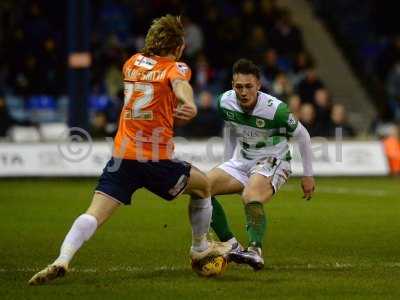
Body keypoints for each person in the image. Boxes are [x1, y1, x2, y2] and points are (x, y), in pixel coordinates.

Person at [28, 15, 229, 285]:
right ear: (179, 47)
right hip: (155, 159)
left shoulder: (131, 63)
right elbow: (180, 85)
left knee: (94, 214)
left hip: (122, 157)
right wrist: (189, 103)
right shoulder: (176, 68)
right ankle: (200, 248)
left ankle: (62, 259)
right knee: (203, 186)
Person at [208, 59, 315, 270]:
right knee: (201, 188)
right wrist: (228, 160)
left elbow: (303, 136)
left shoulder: (276, 110)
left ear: (258, 85)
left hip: (274, 160)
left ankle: (255, 250)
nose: (244, 91)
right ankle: (231, 245)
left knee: (250, 196)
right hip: (243, 160)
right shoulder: (223, 102)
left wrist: (308, 174)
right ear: (232, 85)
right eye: (239, 86)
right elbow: (230, 128)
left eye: (249, 86)